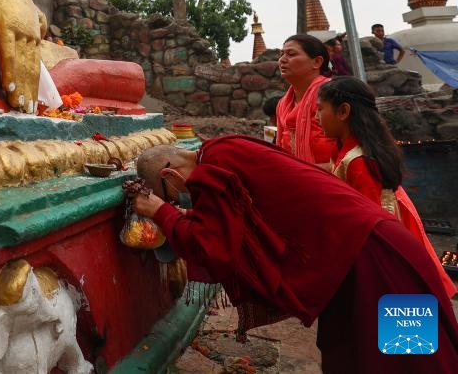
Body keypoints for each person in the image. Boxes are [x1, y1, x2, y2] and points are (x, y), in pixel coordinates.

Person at [132, 138, 458, 372]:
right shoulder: (221, 149)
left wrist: (162, 213)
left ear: (169, 176)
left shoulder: (209, 172)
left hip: (374, 260)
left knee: (405, 356)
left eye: (176, 195)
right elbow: (231, 224)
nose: (185, 200)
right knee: (359, 351)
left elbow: (215, 250)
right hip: (376, 248)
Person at [316, 76, 455, 298]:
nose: (316, 117)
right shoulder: (348, 151)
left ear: (343, 112)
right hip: (389, 243)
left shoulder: (359, 162)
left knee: (401, 316)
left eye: (320, 109)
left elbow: (371, 226)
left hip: (388, 252)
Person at [275, 34, 336, 167]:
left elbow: (353, 156)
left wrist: (305, 174)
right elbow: (280, 150)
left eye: (291, 54)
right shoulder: (283, 104)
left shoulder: (334, 95)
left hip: (334, 183)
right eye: (281, 54)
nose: (282, 60)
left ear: (317, 62)